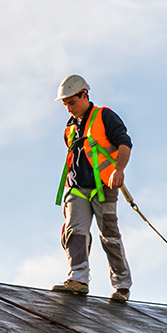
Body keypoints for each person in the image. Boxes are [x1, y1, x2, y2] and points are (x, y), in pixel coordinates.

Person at [53, 74, 133, 303]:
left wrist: (119, 170)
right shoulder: (70, 128)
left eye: (72, 102)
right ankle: (78, 279)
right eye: (65, 104)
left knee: (109, 236)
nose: (69, 108)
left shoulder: (104, 116)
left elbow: (125, 143)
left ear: (84, 95)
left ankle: (122, 286)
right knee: (75, 233)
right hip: (77, 188)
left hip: (104, 186)